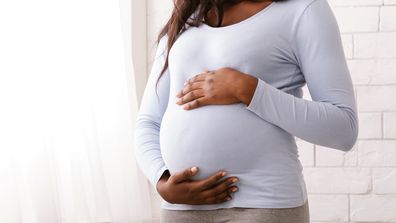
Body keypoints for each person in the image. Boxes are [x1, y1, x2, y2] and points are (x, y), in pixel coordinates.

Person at [133, 0, 359, 222]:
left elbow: (343, 129)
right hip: (182, 207)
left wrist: (246, 89)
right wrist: (161, 180)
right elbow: (148, 122)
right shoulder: (187, 16)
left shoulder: (304, 10)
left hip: (265, 204)